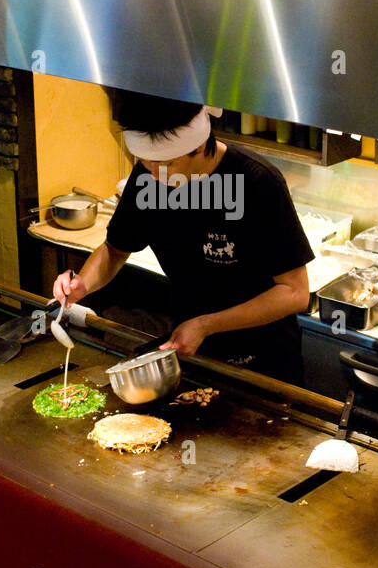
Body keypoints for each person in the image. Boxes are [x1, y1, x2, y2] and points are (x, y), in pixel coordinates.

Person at [53, 91, 313, 384]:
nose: (154, 173)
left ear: (200, 145)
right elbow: (115, 249)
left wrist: (206, 325)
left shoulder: (256, 182)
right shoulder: (148, 177)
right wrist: (82, 283)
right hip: (192, 349)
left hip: (265, 361)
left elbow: (294, 293)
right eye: (146, 161)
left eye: (167, 163)